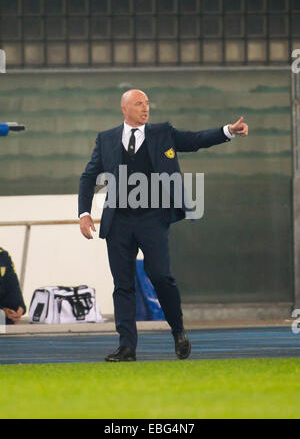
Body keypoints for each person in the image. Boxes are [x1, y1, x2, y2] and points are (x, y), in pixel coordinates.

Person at [78, 89, 248, 362]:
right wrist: (84, 213)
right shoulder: (106, 139)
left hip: (153, 217)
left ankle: (178, 331)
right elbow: (89, 177)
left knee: (160, 276)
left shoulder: (162, 133)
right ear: (124, 109)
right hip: (118, 221)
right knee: (122, 285)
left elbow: (194, 140)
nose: (145, 108)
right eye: (138, 104)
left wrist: (227, 130)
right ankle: (127, 347)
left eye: (147, 103)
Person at [0, 247, 26, 325]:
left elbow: (13, 286)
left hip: (3, 323)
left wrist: (19, 307)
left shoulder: (3, 255)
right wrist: (2, 311)